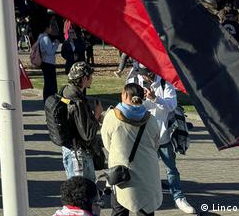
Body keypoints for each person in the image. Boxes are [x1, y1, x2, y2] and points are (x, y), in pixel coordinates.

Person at [127, 68, 196, 214]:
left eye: (145, 72)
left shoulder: (165, 82)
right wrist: (140, 102)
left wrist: (155, 98)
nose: (143, 76)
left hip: (163, 135)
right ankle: (144, 197)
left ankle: (178, 197)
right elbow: (128, 107)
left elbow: (172, 105)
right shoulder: (133, 82)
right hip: (143, 137)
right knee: (144, 169)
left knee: (171, 168)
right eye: (140, 72)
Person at [101, 83, 162, 216]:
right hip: (147, 171)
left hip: (122, 172)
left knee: (120, 209)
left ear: (125, 95)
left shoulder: (112, 116)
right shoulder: (151, 119)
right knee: (146, 210)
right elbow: (156, 144)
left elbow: (107, 143)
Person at [60, 62, 103, 182]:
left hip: (69, 148)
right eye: (90, 76)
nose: (92, 79)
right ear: (84, 78)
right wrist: (97, 114)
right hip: (78, 153)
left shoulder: (65, 92)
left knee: (79, 192)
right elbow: (87, 134)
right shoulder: (77, 101)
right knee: (82, 193)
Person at [39, 22, 60, 99]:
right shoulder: (45, 38)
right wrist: (56, 44)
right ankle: (52, 99)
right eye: (50, 27)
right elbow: (50, 51)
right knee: (51, 84)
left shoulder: (41, 37)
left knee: (48, 83)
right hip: (49, 63)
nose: (51, 29)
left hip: (46, 63)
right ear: (46, 28)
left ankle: (48, 99)